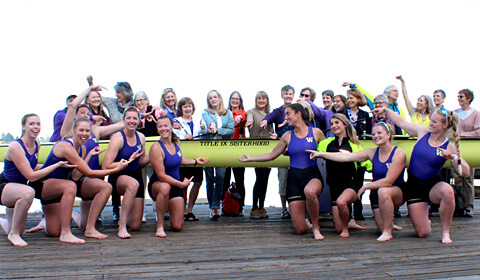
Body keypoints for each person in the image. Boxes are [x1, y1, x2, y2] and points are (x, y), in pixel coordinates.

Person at [373, 106, 470, 243]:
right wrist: (386, 110)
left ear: (445, 125)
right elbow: (402, 123)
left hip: (432, 186)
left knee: (448, 190)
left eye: (435, 122)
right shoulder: (422, 132)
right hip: (413, 187)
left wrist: (453, 157)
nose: (430, 123)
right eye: (431, 120)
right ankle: (387, 231)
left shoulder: (448, 146)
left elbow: (465, 172)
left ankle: (446, 233)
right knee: (423, 233)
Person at [28, 116, 129, 243]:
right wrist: (116, 169)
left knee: (52, 232)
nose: (84, 134)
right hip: (43, 185)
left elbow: (76, 175)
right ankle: (66, 233)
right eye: (81, 130)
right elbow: (89, 173)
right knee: (70, 186)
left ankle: (89, 228)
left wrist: (87, 157)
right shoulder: (66, 146)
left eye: (88, 131)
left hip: (60, 187)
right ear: (74, 131)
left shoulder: (83, 148)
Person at [239, 103, 326, 240]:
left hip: (312, 175)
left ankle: (316, 227)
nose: (285, 118)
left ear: (298, 114)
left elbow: (327, 150)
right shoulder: (287, 135)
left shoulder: (316, 132)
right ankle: (305, 222)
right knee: (300, 230)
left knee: (310, 191)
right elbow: (272, 155)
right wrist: (251, 159)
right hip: (294, 179)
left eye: (288, 114)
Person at [309, 122, 406, 241]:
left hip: (396, 192)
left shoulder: (399, 153)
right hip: (377, 194)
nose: (376, 136)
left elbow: (388, 182)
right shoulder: (371, 152)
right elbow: (346, 157)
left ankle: (387, 232)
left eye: (379, 133)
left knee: (384, 191)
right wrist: (321, 154)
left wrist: (366, 186)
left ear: (388, 135)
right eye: (373, 134)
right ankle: (387, 224)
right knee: (380, 216)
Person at [0, 114, 74, 246]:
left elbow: (33, 166)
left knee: (18, 228)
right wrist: (55, 165)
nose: (36, 127)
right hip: (6, 186)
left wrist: (58, 164)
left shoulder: (37, 143)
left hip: (19, 188)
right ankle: (14, 234)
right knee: (28, 192)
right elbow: (31, 176)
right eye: (31, 124)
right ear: (23, 126)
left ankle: (5, 223)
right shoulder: (16, 147)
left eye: (38, 124)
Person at [148, 116, 208, 237]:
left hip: (174, 186)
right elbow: (161, 176)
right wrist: (182, 184)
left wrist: (195, 161)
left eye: (166, 126)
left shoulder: (176, 142)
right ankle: (159, 226)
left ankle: (169, 208)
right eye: (160, 126)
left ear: (171, 127)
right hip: (159, 185)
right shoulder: (156, 147)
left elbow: (178, 159)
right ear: (157, 129)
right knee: (165, 188)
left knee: (177, 226)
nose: (163, 129)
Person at [311, 113, 370, 238]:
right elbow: (310, 148)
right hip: (334, 186)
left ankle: (346, 229)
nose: (334, 126)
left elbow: (368, 165)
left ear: (344, 124)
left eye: (337, 123)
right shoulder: (326, 143)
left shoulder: (355, 144)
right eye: (331, 124)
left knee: (341, 202)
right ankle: (350, 222)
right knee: (337, 228)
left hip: (351, 184)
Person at [102, 107, 150, 238]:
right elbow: (106, 165)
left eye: (135, 118)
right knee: (132, 184)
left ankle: (125, 214)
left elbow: (140, 163)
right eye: (128, 118)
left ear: (139, 121)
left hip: (136, 174)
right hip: (119, 175)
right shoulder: (118, 138)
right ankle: (121, 226)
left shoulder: (141, 138)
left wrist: (153, 155)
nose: (131, 121)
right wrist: (127, 161)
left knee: (135, 226)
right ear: (124, 120)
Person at [260, 85, 295, 219]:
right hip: (282, 151)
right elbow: (270, 117)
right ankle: (284, 209)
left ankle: (296, 208)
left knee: (297, 181)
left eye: (290, 94)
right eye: (286, 93)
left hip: (296, 151)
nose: (288, 96)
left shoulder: (297, 110)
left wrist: (279, 133)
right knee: (283, 181)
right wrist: (265, 121)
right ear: (282, 96)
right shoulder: (278, 111)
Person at [173, 97, 207, 221]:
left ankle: (190, 209)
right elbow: (174, 135)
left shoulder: (198, 120)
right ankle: (181, 210)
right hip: (183, 155)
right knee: (184, 183)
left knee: (198, 181)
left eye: (190, 106)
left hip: (197, 154)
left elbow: (204, 132)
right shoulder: (176, 121)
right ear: (181, 109)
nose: (188, 109)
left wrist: (204, 127)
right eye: (185, 106)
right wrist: (184, 135)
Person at [202, 90, 234, 220]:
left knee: (220, 176)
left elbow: (231, 131)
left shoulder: (228, 113)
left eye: (215, 97)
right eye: (210, 98)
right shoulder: (206, 112)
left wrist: (218, 130)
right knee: (209, 177)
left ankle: (217, 203)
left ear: (220, 98)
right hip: (208, 148)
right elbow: (209, 122)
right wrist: (212, 125)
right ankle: (213, 207)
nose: (213, 100)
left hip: (222, 149)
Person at [245, 91, 275, 219]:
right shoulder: (251, 112)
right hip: (257, 148)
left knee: (265, 179)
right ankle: (254, 207)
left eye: (263, 98)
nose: (261, 100)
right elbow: (249, 118)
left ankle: (261, 206)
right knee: (259, 178)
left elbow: (272, 131)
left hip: (268, 148)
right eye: (259, 98)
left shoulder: (270, 114)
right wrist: (249, 123)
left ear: (267, 100)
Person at [453, 89, 480, 217]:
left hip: (469, 150)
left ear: (468, 98)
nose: (459, 98)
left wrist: (461, 134)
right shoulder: (454, 113)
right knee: (457, 177)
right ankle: (459, 206)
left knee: (468, 179)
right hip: (456, 150)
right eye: (458, 96)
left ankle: (469, 206)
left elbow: (478, 132)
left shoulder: (476, 114)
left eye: (461, 96)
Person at [223, 91, 246, 216]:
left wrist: (239, 118)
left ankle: (240, 207)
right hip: (226, 149)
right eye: (233, 98)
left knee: (239, 179)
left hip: (238, 149)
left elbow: (242, 117)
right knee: (224, 179)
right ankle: (224, 206)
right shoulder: (225, 113)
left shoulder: (242, 112)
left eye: (237, 98)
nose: (235, 100)